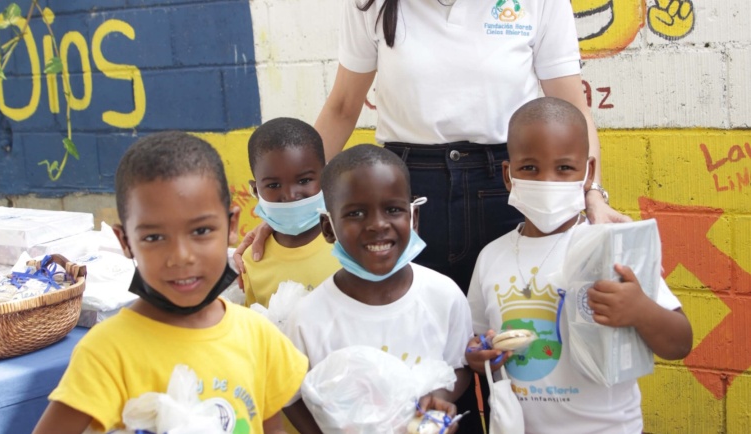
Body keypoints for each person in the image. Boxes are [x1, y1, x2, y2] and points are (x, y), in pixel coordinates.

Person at [238, 2, 632, 429]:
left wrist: (592, 192)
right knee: (427, 370)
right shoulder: (370, 5)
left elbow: (571, 104)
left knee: (508, 360)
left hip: (505, 186)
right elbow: (342, 107)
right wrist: (292, 209)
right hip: (406, 196)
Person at [33, 132, 307, 434]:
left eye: (201, 231)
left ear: (231, 226)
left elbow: (273, 429)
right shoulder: (106, 353)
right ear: (126, 242)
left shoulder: (258, 336)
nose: (181, 256)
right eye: (154, 237)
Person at [465, 97, 693, 433]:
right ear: (507, 175)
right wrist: (477, 356)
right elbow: (478, 338)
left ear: (588, 172)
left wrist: (640, 310)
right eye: (530, 168)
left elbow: (680, 343)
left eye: (564, 168)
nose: (547, 180)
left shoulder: (611, 248)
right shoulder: (490, 257)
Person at [282, 144, 473, 433]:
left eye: (393, 209)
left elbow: (461, 365)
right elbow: (289, 394)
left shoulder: (444, 296)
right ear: (328, 227)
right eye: (356, 213)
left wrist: (439, 398)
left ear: (414, 217)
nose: (378, 225)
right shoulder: (308, 318)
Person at [242, 117, 340, 308]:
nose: (290, 195)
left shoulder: (349, 246)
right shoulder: (252, 260)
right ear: (255, 190)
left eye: (304, 181)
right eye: (273, 185)